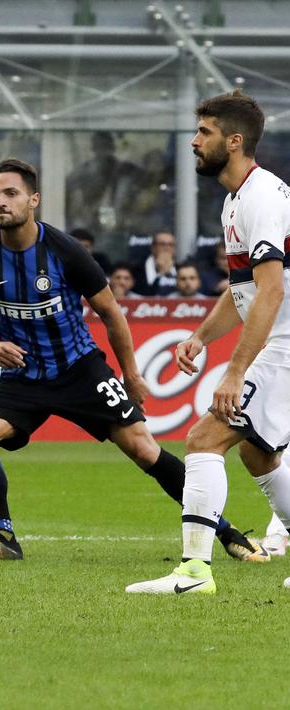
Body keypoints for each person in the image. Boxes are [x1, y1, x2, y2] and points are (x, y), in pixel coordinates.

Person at [0, 157, 265, 562]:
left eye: (11, 193)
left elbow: (111, 313)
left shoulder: (64, 251)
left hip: (81, 369)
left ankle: (227, 533)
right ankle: (2, 538)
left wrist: (131, 376)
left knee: (144, 450)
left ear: (33, 200)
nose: (0, 202)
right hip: (23, 375)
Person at [128, 92, 290, 594]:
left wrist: (236, 369)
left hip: (285, 346)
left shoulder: (262, 197)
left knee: (204, 439)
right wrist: (201, 336)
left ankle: (195, 573)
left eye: (204, 132)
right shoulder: (236, 199)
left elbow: (272, 288)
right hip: (280, 342)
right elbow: (242, 288)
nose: (195, 142)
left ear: (234, 140)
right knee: (258, 457)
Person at [134, 230, 178, 296]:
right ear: (153, 247)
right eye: (162, 244)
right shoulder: (137, 270)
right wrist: (161, 274)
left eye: (170, 245)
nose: (166, 248)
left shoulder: (181, 268)